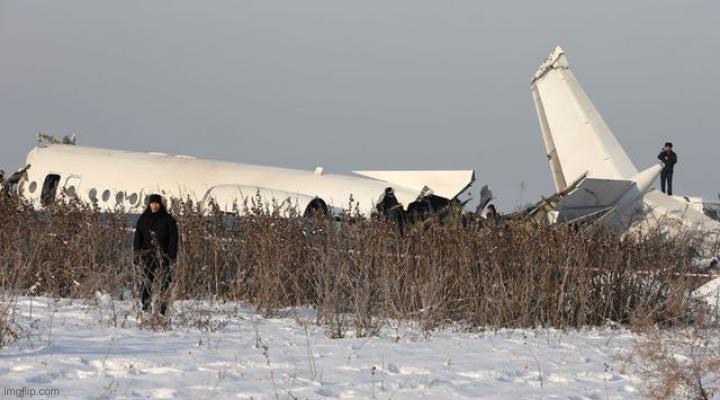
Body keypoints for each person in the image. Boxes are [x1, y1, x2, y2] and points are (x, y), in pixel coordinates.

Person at [133, 194, 178, 315]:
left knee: (166, 281)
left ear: (160, 204)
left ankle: (163, 308)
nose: (154, 205)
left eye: (157, 203)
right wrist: (136, 254)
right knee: (147, 280)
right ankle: (145, 306)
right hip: (148, 254)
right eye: (152, 203)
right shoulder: (143, 218)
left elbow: (174, 239)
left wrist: (172, 255)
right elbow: (138, 237)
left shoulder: (168, 219)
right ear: (149, 204)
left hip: (164, 255)